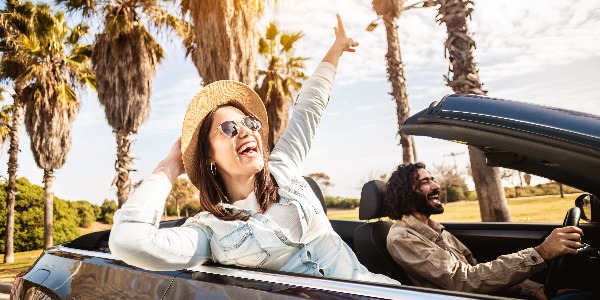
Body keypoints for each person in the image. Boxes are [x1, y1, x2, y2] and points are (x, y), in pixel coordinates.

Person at [109, 15, 398, 285]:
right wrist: (169, 166)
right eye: (228, 129)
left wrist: (335, 50)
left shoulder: (283, 165)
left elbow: (308, 108)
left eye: (249, 122)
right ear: (209, 155)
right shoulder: (209, 232)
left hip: (379, 291)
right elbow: (130, 242)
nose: (246, 130)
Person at [383, 163, 585, 299]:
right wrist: (540, 253)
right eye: (425, 182)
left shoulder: (434, 228)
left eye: (432, 179)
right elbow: (465, 282)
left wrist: (534, 290)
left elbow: (478, 272)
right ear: (406, 195)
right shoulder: (403, 238)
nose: (436, 185)